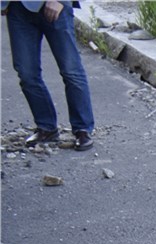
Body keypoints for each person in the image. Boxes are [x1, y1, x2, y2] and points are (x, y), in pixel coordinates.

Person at [2, 1, 94, 150]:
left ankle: (82, 129)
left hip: (56, 7)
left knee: (71, 71)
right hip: (18, 8)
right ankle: (46, 127)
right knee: (27, 73)